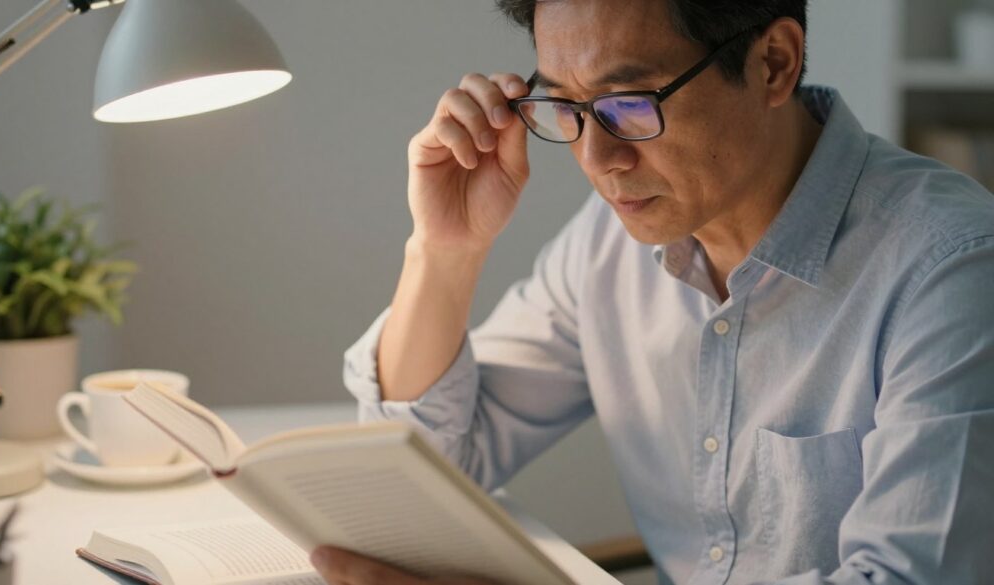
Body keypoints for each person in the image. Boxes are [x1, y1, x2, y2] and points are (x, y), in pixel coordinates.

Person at [311, 0, 994, 583]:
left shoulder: (950, 266)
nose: (598, 161)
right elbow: (422, 476)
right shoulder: (607, 248)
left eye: (628, 105)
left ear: (774, 63)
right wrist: (444, 251)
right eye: (566, 106)